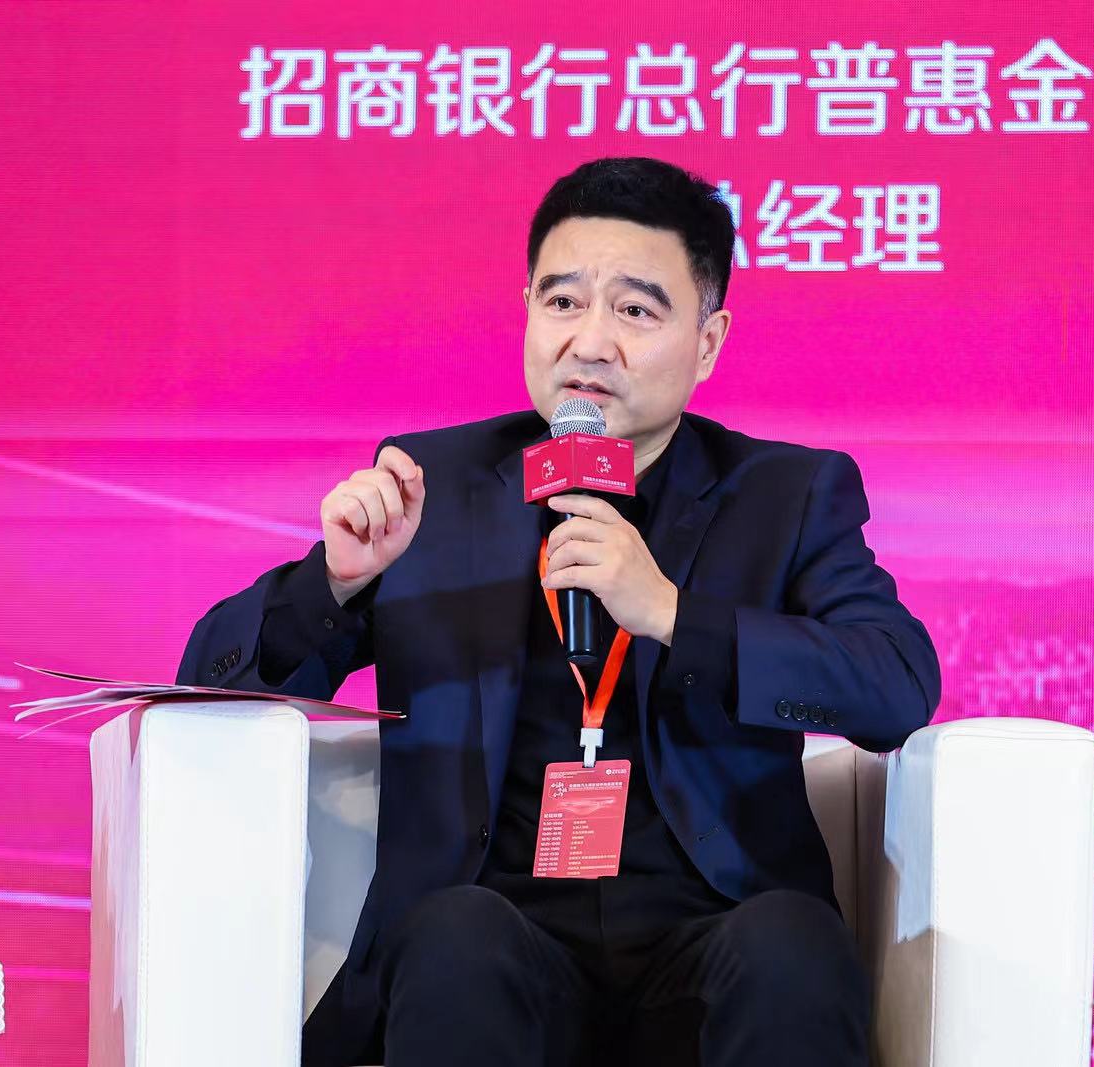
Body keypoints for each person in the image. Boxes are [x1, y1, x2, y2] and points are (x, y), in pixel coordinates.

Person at [177, 156, 941, 1067]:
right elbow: (208, 679)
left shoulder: (785, 494)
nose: (590, 342)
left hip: (711, 948)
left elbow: (897, 683)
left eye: (636, 310)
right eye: (564, 301)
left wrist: (671, 612)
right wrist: (335, 582)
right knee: (456, 935)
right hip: (499, 953)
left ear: (707, 342)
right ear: (528, 313)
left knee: (793, 945)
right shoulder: (433, 487)